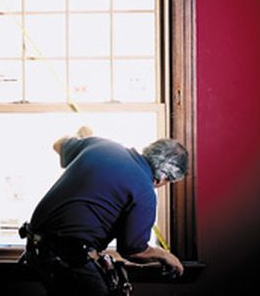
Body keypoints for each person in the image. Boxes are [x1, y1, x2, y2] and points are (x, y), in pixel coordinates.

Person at [19, 126, 188, 296]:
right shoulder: (145, 192)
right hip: (68, 256)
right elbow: (133, 250)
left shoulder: (101, 145)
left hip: (35, 246)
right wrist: (165, 256)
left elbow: (58, 144)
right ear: (164, 177)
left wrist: (82, 138)